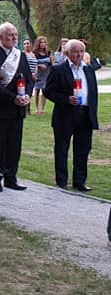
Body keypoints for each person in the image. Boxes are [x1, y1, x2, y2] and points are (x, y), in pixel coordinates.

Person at [43, 38, 98, 191]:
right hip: (65, 114)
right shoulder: (58, 69)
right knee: (62, 148)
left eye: (81, 51)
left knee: (83, 149)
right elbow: (48, 91)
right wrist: (66, 99)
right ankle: (61, 181)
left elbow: (93, 93)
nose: (79, 54)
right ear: (67, 53)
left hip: (85, 114)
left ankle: (79, 181)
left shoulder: (88, 69)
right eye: (75, 51)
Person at [0, 22, 33, 192]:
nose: (14, 37)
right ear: (0, 38)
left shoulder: (20, 56)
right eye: (10, 35)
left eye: (15, 34)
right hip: (1, 107)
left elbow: (29, 79)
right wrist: (13, 98)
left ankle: (11, 177)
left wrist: (27, 94)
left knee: (14, 145)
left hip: (18, 109)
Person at [33, 35, 52, 114]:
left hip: (46, 73)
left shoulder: (48, 52)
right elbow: (33, 62)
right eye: (41, 42)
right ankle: (36, 108)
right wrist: (40, 65)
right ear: (38, 43)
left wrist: (47, 66)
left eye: (44, 42)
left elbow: (51, 62)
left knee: (44, 90)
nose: (43, 44)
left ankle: (42, 109)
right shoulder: (35, 53)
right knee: (37, 90)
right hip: (38, 73)